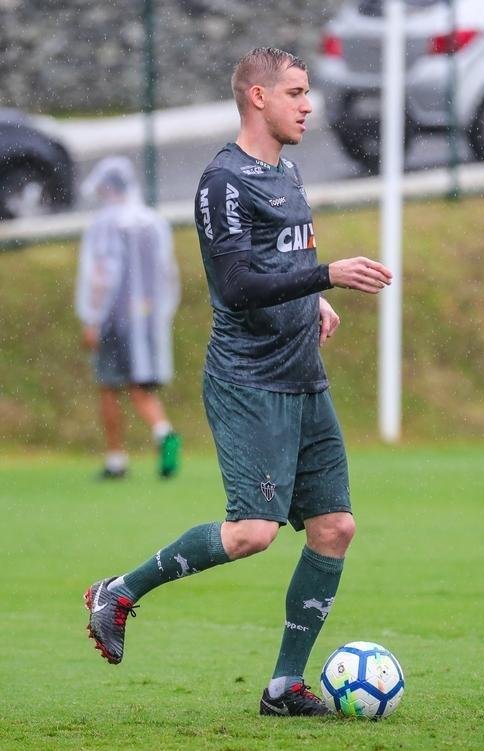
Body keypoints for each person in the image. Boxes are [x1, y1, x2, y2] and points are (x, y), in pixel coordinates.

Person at [84, 48, 392, 716]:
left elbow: (280, 259)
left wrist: (312, 299)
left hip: (303, 379)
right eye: (295, 92)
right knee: (251, 531)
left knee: (334, 527)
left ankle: (284, 687)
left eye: (307, 92)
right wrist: (325, 276)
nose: (307, 104)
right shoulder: (223, 181)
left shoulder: (286, 173)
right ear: (256, 96)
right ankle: (120, 591)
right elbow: (235, 284)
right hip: (249, 381)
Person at [75, 156, 181, 479]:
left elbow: (102, 274)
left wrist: (92, 318)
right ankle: (163, 432)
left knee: (108, 386)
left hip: (114, 319)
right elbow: (167, 272)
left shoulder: (105, 225)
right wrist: (159, 314)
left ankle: (116, 459)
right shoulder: (152, 222)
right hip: (146, 318)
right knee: (140, 385)